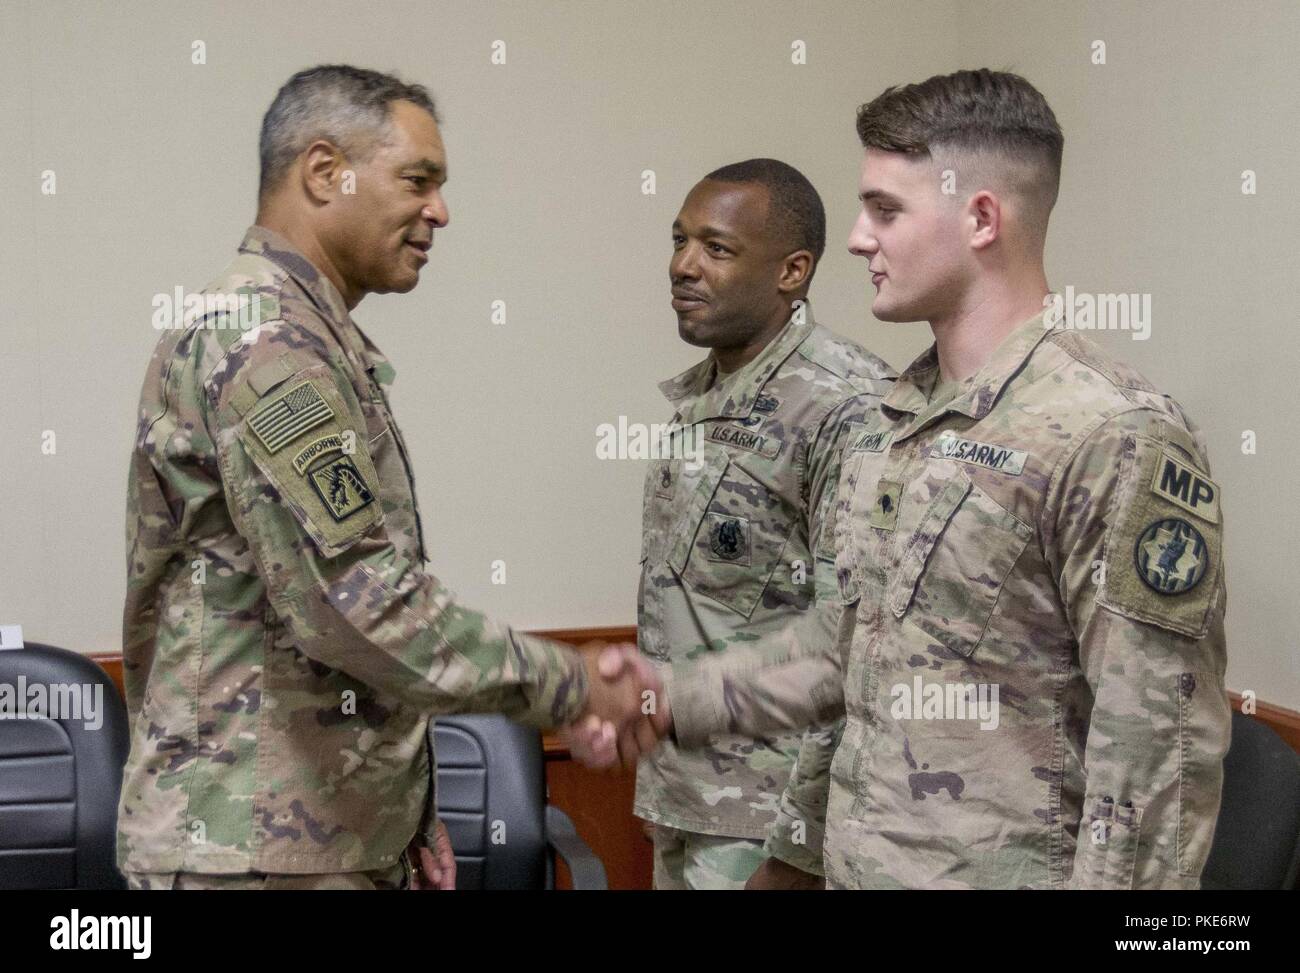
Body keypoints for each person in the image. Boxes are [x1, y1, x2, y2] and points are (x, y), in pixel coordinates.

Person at [578, 69, 1231, 890]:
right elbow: (840, 651)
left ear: (981, 218)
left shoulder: (1115, 434)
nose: (857, 239)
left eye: (886, 210)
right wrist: (681, 701)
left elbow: (1155, 762)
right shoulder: (897, 423)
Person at [119, 64, 660, 890]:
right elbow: (356, 601)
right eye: (419, 180)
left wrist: (402, 809)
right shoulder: (268, 343)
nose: (440, 211)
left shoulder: (301, 333)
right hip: (253, 850)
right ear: (323, 170)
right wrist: (576, 683)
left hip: (308, 831)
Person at [619, 159, 894, 889]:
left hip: (770, 824)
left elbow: (854, 640)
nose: (683, 265)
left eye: (716, 248)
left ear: (791, 271)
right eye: (679, 241)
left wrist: (801, 846)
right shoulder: (703, 399)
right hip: (685, 802)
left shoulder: (847, 406)